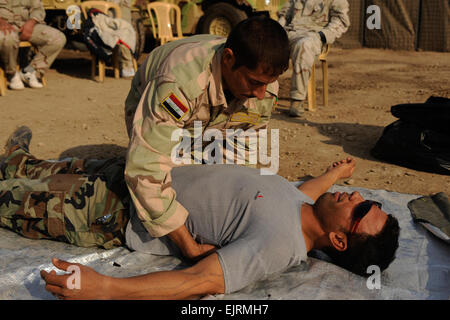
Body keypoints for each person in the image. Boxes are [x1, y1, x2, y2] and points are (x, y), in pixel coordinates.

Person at [0, 126, 400, 299]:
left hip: (109, 211)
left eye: (362, 208)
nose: (359, 195)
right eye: (369, 200)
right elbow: (306, 190)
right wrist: (336, 175)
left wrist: (106, 289)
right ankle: (17, 159)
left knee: (11, 199)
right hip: (141, 180)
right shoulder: (304, 206)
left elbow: (197, 282)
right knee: (42, 168)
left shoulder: (278, 244)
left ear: (339, 240)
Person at [123, 16, 290, 261]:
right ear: (229, 58)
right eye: (255, 82)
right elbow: (145, 167)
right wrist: (187, 243)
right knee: (178, 183)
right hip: (154, 102)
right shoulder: (179, 83)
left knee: (219, 182)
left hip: (213, 114)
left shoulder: (262, 88)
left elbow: (246, 152)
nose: (260, 94)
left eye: (268, 84)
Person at [277, 0, 350, 117]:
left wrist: (322, 35)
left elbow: (340, 21)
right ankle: (260, 95)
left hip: (314, 36)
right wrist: (276, 30)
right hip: (290, 32)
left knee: (303, 46)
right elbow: (284, 16)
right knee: (266, 45)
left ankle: (297, 100)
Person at [0, 0, 66, 89]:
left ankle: (28, 72)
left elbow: (38, 9)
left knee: (58, 38)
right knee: (8, 39)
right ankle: (12, 73)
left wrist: (30, 23)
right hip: (4, 27)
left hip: (25, 25)